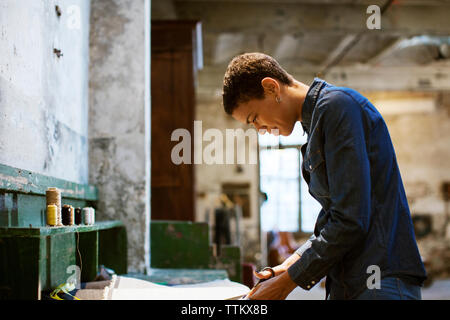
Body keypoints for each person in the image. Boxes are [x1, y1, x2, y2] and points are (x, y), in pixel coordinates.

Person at [221, 52, 427, 300]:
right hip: (350, 281)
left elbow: (350, 219)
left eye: (254, 119)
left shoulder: (337, 107)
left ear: (271, 87)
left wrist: (286, 284)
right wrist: (288, 265)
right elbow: (332, 218)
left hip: (378, 279)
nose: (260, 130)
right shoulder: (317, 126)